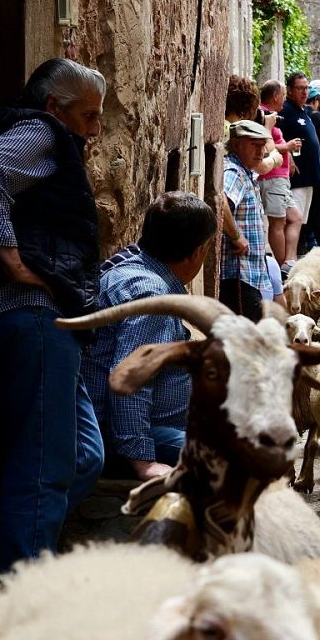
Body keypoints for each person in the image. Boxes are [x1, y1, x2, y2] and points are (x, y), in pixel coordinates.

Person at [0, 58, 108, 615]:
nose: (94, 130)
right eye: (88, 117)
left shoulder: (52, 138)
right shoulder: (38, 131)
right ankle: (21, 601)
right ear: (55, 108)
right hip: (32, 315)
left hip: (50, 323)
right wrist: (13, 261)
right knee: (46, 467)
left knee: (84, 457)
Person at [83, 192, 217, 480]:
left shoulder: (134, 267)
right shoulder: (151, 294)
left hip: (152, 425)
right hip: (126, 434)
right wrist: (143, 462)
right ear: (197, 253)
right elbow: (131, 379)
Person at [220, 120, 275, 318]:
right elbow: (221, 202)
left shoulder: (245, 172)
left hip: (247, 274)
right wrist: (235, 237)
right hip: (237, 274)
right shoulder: (234, 173)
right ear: (236, 145)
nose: (260, 151)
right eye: (254, 145)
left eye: (262, 145)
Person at [277, 72, 320, 255]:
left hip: (310, 177)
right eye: (299, 88)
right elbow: (277, 136)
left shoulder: (303, 111)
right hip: (297, 177)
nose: (304, 92)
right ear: (290, 90)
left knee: (302, 222)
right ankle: (289, 258)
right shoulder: (286, 111)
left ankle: (295, 256)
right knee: (293, 220)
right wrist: (288, 156)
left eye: (306, 88)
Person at [258, 80, 303, 270]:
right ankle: (282, 265)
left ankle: (288, 261)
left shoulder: (271, 115)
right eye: (283, 95)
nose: (285, 100)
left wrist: (289, 156)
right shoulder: (261, 115)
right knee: (278, 221)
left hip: (280, 176)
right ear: (276, 96)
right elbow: (262, 144)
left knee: (295, 217)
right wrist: (288, 147)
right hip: (272, 176)